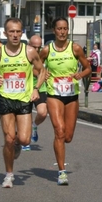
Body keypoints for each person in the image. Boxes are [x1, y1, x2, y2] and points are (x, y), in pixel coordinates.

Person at [0, 18, 46, 188]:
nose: (15, 35)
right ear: (5, 33)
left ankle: (18, 144)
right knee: (8, 139)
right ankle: (9, 174)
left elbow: (42, 71)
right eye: (11, 32)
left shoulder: (30, 51)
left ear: (22, 32)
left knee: (24, 140)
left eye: (18, 31)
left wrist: (36, 88)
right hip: (5, 99)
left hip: (24, 100)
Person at [39, 17, 91, 185]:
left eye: (64, 29)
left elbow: (88, 68)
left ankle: (62, 163)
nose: (62, 32)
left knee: (68, 136)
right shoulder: (47, 50)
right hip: (54, 94)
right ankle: (62, 172)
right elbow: (35, 67)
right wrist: (42, 73)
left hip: (71, 94)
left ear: (68, 30)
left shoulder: (75, 48)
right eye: (59, 29)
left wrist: (80, 74)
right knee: (59, 131)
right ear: (54, 30)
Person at [20, 35, 48, 151]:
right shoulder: (23, 54)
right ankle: (25, 141)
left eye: (39, 47)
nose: (36, 50)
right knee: (25, 116)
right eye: (34, 47)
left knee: (42, 113)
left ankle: (34, 126)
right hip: (24, 89)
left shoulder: (43, 55)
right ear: (28, 44)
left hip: (39, 87)